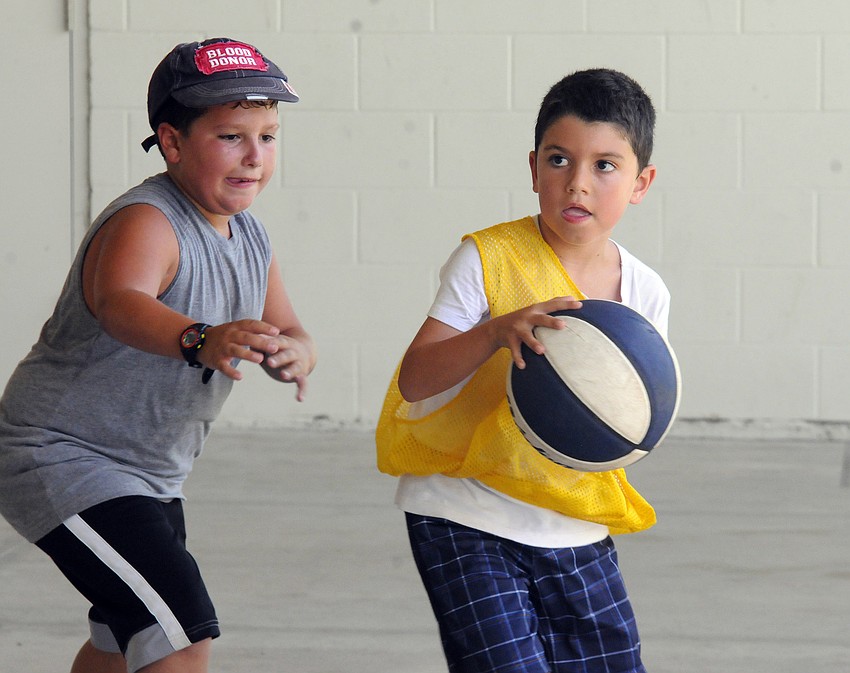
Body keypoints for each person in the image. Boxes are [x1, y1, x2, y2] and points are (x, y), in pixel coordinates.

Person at [0, 37, 316, 673]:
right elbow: (121, 302)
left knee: (124, 638)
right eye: (232, 137)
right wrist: (202, 337)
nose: (255, 156)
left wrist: (294, 353)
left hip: (151, 471)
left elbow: (286, 325)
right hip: (62, 454)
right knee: (180, 629)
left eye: (269, 136)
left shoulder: (251, 234)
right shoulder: (149, 220)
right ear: (172, 143)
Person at [376, 68, 667, 673]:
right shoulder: (485, 258)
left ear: (642, 183)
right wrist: (492, 334)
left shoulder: (644, 292)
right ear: (534, 167)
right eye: (560, 160)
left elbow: (630, 413)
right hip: (465, 511)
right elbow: (416, 378)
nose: (577, 184)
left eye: (605, 166)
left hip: (572, 522)